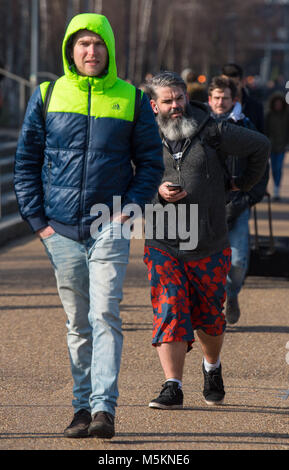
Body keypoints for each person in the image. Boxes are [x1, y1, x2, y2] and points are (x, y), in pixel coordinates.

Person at [14, 13, 164, 439]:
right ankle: (80, 409)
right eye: (82, 44)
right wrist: (39, 223)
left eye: (98, 44)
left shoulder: (131, 98)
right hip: (58, 231)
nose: (90, 51)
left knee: (105, 314)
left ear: (109, 49)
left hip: (109, 226)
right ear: (70, 49)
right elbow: (26, 163)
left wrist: (128, 212)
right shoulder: (47, 94)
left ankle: (104, 410)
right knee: (78, 323)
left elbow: (150, 164)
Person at [144, 71, 269, 410]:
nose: (175, 106)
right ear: (154, 104)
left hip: (208, 239)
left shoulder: (213, 130)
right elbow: (130, 175)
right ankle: (173, 386)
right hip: (163, 239)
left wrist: (242, 184)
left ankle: (211, 367)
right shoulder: (142, 135)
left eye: (179, 98)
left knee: (209, 317)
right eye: (167, 101)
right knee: (169, 305)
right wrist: (156, 192)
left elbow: (261, 146)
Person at [208, 76, 269, 324]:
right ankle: (209, 310)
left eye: (226, 98)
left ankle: (231, 294)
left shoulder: (245, 126)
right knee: (203, 261)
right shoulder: (197, 126)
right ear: (209, 99)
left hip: (237, 203)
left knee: (238, 261)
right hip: (205, 205)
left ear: (235, 100)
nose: (221, 102)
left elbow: (261, 162)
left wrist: (249, 196)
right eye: (217, 97)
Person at [221, 63, 264, 133]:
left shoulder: (256, 107)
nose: (229, 89)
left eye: (234, 85)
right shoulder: (214, 106)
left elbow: (262, 136)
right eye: (225, 85)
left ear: (243, 83)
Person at [265, 92, 289, 201]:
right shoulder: (268, 115)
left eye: (280, 103)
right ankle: (267, 187)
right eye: (276, 104)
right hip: (270, 146)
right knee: (270, 168)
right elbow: (265, 130)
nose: (278, 105)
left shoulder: (286, 115)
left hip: (281, 146)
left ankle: (276, 188)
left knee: (278, 168)